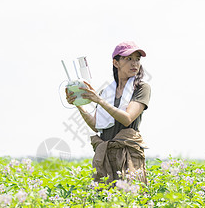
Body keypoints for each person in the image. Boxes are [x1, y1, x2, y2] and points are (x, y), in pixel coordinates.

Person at [65, 41, 151, 185]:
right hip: (106, 154)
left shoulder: (141, 88)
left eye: (137, 59)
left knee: (130, 197)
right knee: (104, 198)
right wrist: (78, 104)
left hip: (128, 154)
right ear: (116, 63)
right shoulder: (106, 92)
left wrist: (98, 100)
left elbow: (127, 118)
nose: (134, 63)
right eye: (128, 59)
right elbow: (96, 126)